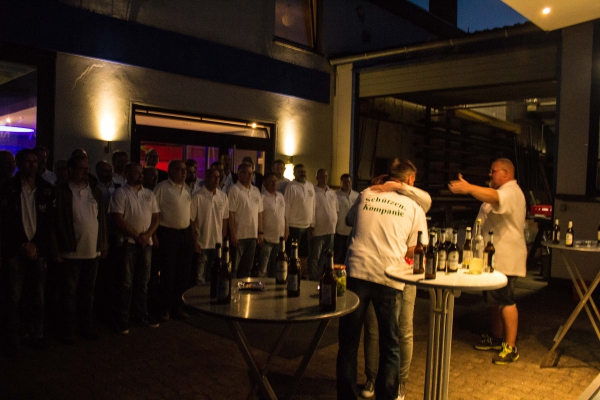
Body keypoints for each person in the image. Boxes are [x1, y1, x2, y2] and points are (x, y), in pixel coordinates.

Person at [337, 159, 428, 400]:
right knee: (390, 345)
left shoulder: (367, 194)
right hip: (389, 276)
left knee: (348, 343)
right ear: (410, 180)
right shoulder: (414, 207)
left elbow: (349, 220)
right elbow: (416, 249)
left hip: (357, 272)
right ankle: (387, 395)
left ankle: (347, 395)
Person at [360, 166, 432, 400]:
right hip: (378, 272)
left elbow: (419, 246)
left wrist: (398, 247)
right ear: (410, 179)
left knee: (402, 331)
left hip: (405, 274)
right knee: (376, 330)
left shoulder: (414, 205)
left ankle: (399, 383)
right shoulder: (375, 196)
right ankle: (373, 378)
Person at [448, 158, 526, 365]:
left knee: (506, 300)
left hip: (506, 258)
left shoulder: (511, 191)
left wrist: (468, 188)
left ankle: (510, 347)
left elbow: (495, 197)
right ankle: (497, 337)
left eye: (493, 171)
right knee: (494, 300)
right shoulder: (501, 191)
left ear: (506, 173)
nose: (490, 174)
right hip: (492, 257)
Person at [0, 149, 57, 357]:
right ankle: (13, 339)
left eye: (35, 161)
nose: (33, 165)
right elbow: (5, 222)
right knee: (13, 297)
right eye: (28, 161)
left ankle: (37, 334)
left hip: (38, 251)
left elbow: (49, 223)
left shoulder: (46, 189)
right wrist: (22, 244)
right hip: (16, 251)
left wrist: (37, 246)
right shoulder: (8, 188)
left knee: (38, 297)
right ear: (19, 163)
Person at [56, 155, 108, 342]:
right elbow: (55, 222)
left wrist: (103, 244)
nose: (86, 171)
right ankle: (68, 330)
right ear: (71, 170)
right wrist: (56, 249)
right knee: (69, 293)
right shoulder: (62, 191)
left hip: (92, 251)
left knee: (88, 292)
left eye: (87, 168)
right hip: (71, 250)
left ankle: (86, 327)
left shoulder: (94, 190)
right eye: (82, 168)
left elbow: (101, 219)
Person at [110, 163, 160, 334]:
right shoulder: (120, 193)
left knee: (143, 282)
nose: (140, 175)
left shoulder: (149, 194)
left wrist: (147, 235)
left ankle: (140, 313)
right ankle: (122, 318)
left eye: (141, 172)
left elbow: (156, 218)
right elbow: (118, 219)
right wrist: (137, 236)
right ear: (127, 174)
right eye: (137, 172)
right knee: (126, 282)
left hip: (146, 244)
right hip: (129, 244)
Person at [153, 159, 192, 320]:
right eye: (179, 169)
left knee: (183, 273)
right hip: (168, 234)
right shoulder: (161, 188)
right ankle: (164, 308)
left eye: (184, 170)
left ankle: (178, 307)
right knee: (168, 273)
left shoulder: (187, 189)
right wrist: (154, 235)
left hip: (184, 234)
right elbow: (153, 213)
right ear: (170, 171)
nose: (183, 172)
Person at [94, 160, 121, 322]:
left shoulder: (118, 187)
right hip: (101, 233)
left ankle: (112, 308)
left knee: (115, 273)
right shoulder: (94, 189)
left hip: (116, 233)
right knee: (102, 274)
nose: (108, 173)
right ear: (98, 172)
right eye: (104, 171)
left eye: (109, 170)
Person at [190, 167, 228, 285]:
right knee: (199, 277)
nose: (217, 180)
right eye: (214, 177)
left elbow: (225, 220)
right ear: (206, 178)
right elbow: (192, 221)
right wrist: (195, 241)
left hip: (217, 244)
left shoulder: (223, 196)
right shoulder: (197, 196)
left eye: (218, 177)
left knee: (214, 276)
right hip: (202, 243)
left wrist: (223, 240)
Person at [228, 163, 263, 278]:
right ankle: (232, 288)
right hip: (239, 236)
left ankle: (243, 289)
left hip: (252, 235)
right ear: (239, 174)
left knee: (247, 268)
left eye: (251, 173)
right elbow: (231, 213)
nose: (249, 176)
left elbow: (259, 213)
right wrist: (233, 234)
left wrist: (260, 233)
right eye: (246, 173)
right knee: (234, 268)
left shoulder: (256, 190)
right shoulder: (234, 190)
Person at [283, 164, 315, 277]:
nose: (303, 173)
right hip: (294, 227)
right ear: (294, 173)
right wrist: (286, 227)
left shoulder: (310, 186)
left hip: (307, 227)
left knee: (304, 255)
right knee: (292, 254)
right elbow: (286, 209)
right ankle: (290, 276)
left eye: (304, 171)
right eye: (300, 171)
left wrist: (313, 224)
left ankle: (300, 276)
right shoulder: (291, 187)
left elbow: (313, 205)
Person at [308, 168, 338, 280]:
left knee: (326, 257)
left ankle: (321, 277)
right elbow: (311, 210)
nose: (324, 178)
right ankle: (313, 278)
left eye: (326, 176)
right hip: (318, 230)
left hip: (331, 230)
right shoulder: (313, 192)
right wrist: (312, 226)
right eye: (321, 176)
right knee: (315, 256)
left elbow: (336, 210)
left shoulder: (332, 193)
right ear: (317, 177)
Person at [257, 172, 287, 277]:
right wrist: (260, 234)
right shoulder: (262, 197)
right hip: (267, 238)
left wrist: (286, 230)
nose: (274, 183)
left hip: (279, 239)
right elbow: (259, 217)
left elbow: (284, 215)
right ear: (265, 183)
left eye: (275, 181)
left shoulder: (281, 196)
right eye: (271, 181)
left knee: (276, 267)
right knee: (263, 268)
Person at [335, 174, 359, 264]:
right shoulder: (336, 195)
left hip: (352, 232)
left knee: (350, 256)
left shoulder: (356, 195)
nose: (347, 184)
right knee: (339, 255)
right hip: (340, 231)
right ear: (340, 183)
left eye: (348, 182)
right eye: (344, 182)